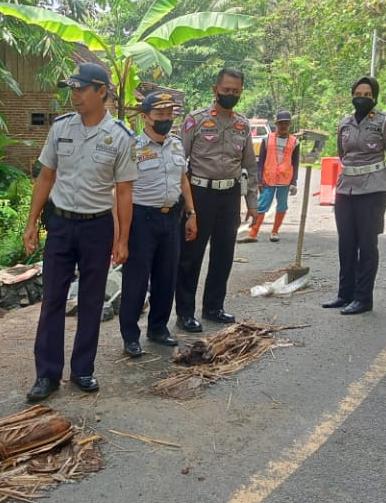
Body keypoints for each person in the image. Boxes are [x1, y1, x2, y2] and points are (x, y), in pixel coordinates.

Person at [22, 62, 137, 400]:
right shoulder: (61, 128)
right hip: (60, 225)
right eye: (72, 89)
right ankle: (47, 375)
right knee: (52, 300)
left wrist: (123, 238)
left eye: (81, 89)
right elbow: (45, 177)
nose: (75, 95)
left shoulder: (120, 137)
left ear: (102, 91)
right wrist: (31, 222)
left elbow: (125, 191)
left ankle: (83, 370)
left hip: (97, 227)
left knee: (90, 301)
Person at [175, 68, 259, 333]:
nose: (230, 95)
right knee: (191, 256)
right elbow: (179, 163)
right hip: (200, 195)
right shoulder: (195, 120)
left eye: (236, 91)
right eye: (226, 90)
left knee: (224, 254)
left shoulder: (243, 125)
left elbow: (250, 166)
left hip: (230, 196)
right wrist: (186, 207)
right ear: (215, 89)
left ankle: (213, 307)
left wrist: (252, 203)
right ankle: (185, 313)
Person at [118, 91, 198, 357]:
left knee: (167, 277)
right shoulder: (132, 147)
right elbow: (122, 189)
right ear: (145, 117)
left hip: (170, 218)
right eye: (159, 114)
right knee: (136, 280)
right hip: (142, 219)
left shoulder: (176, 144)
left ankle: (158, 328)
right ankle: (130, 336)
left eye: (169, 114)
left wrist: (191, 212)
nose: (165, 119)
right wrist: (121, 231)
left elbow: (183, 179)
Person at [322, 76, 386, 315]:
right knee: (346, 244)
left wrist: (384, 183)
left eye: (367, 95)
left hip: (373, 190)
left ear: (374, 97)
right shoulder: (344, 123)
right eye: (359, 93)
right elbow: (342, 154)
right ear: (352, 94)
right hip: (346, 189)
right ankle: (344, 294)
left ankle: (363, 298)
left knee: (367, 245)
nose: (362, 98)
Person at [241, 110, 300, 243]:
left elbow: (295, 163)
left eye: (286, 123)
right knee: (262, 205)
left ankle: (275, 232)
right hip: (269, 179)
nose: (283, 126)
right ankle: (253, 233)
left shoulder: (295, 142)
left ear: (289, 124)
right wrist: (259, 179)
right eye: (281, 123)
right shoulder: (267, 140)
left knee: (282, 206)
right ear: (276, 124)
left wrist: (294, 182)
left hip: (285, 180)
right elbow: (261, 161)